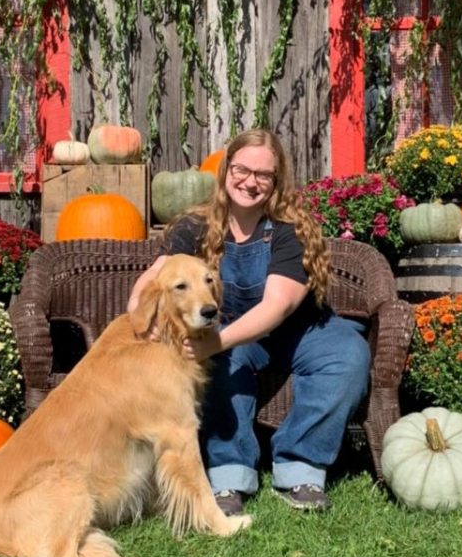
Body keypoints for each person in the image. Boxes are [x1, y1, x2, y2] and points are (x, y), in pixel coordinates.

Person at [128, 129, 370, 514]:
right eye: (242, 169)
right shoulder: (194, 228)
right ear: (226, 170)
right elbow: (157, 274)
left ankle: (300, 467)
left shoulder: (292, 230)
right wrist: (138, 314)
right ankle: (229, 476)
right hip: (236, 330)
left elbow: (276, 307)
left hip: (302, 331)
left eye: (263, 175)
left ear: (276, 181)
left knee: (348, 355)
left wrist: (216, 341)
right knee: (222, 363)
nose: (250, 182)